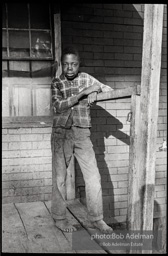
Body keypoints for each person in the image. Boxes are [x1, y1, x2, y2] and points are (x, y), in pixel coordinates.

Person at [51, 46, 113, 233]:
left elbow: (108, 89)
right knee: (60, 178)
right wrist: (83, 94)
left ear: (79, 65)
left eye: (74, 64)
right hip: (61, 134)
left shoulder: (86, 78)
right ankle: (60, 218)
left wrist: (97, 92)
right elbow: (58, 106)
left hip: (82, 133)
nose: (70, 68)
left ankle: (96, 219)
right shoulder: (57, 82)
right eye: (66, 64)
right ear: (62, 65)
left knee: (93, 177)